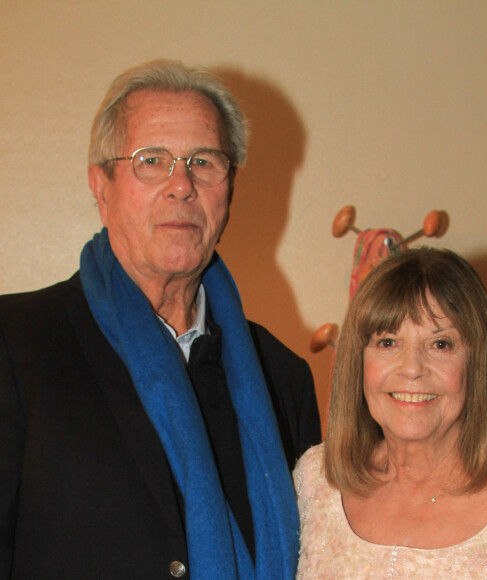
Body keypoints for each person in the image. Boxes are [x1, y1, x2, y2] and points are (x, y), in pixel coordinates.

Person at [0, 59, 320, 579]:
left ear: (229, 189)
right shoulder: (15, 345)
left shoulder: (283, 378)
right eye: (152, 160)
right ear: (100, 186)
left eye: (204, 161)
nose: (181, 186)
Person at [294, 247, 487, 579]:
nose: (412, 368)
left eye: (440, 344)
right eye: (388, 342)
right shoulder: (317, 480)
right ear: (358, 361)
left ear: (478, 363)